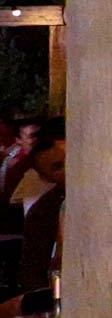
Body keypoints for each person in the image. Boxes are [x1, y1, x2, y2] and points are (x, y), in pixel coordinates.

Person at [16, 119, 64, 292]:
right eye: (57, 167)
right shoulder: (43, 212)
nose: (69, 169)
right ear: (46, 177)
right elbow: (33, 274)